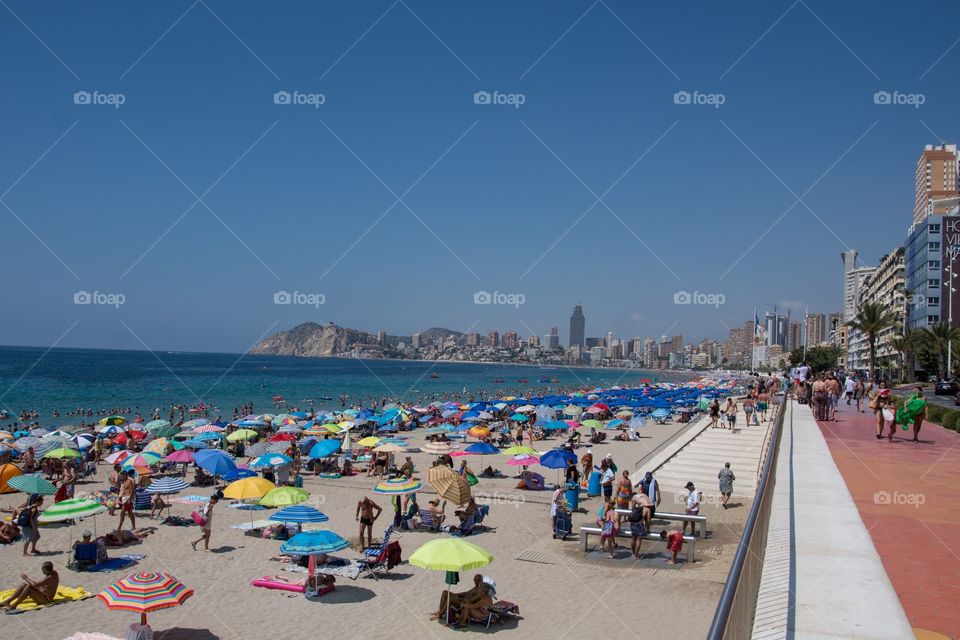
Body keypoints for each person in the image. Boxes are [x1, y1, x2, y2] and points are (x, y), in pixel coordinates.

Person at [628, 490, 654, 558]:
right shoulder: (647, 508)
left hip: (634, 523)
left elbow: (633, 509)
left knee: (633, 538)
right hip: (640, 524)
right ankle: (636, 555)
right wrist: (648, 529)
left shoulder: (634, 498)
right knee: (639, 539)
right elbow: (648, 521)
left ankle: (633, 553)